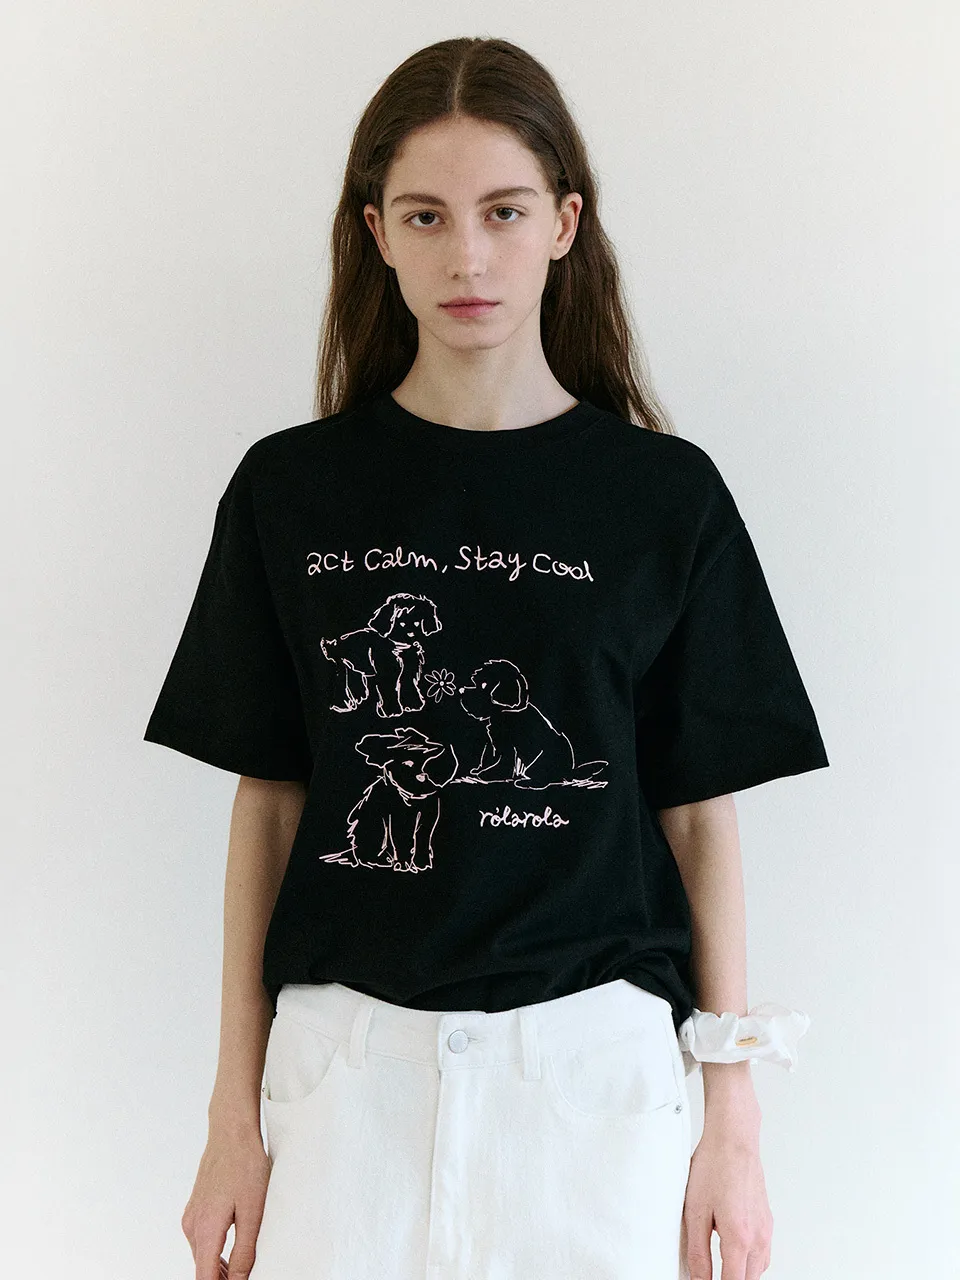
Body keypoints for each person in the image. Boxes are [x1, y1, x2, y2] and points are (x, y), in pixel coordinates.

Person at [144, 35, 829, 1280]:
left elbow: (698, 819)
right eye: (426, 215)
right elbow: (271, 804)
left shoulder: (664, 499)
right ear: (376, 232)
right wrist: (229, 1115)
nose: (467, 256)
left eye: (504, 211)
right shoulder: (290, 491)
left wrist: (735, 1123)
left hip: (592, 1083)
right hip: (346, 1086)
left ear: (565, 223)